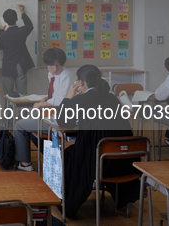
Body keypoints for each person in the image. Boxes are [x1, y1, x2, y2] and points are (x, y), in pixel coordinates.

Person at [57, 65, 139, 219]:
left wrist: (68, 98)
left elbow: (64, 122)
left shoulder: (80, 99)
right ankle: (121, 201)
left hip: (94, 161)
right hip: (121, 161)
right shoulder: (112, 98)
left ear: (80, 83)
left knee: (67, 154)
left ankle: (68, 202)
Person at [14, 48, 71, 171]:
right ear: (46, 64)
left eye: (58, 65)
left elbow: (60, 100)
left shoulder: (65, 75)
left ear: (63, 63)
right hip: (51, 114)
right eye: (51, 65)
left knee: (19, 125)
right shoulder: (52, 74)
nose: (54, 69)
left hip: (56, 118)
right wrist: (45, 99)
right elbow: (54, 95)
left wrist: (42, 104)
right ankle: (53, 157)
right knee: (29, 126)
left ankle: (25, 164)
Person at [0, 4, 34, 96]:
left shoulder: (3, 35)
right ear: (17, 19)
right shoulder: (22, 31)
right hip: (21, 65)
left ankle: (8, 110)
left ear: (4, 21)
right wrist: (23, 12)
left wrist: (1, 31)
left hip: (8, 66)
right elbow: (30, 25)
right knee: (22, 94)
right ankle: (22, 111)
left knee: (8, 95)